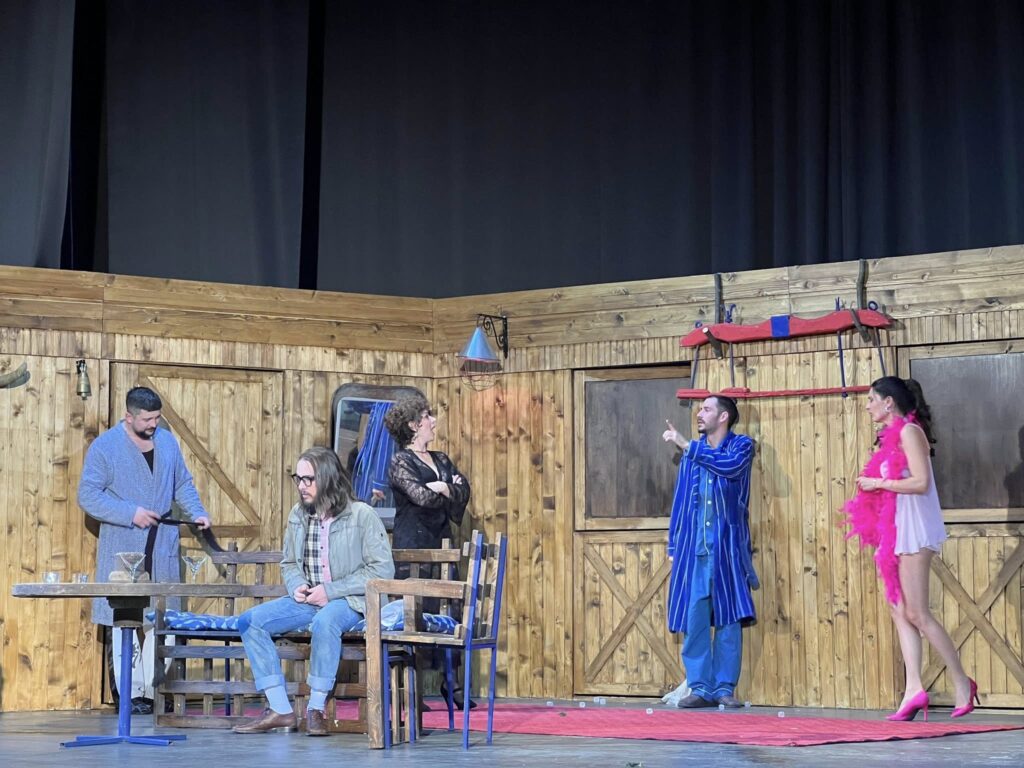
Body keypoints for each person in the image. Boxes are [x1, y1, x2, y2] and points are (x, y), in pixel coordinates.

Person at [232, 446, 393, 735]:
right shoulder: (298, 515)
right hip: (309, 599)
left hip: (351, 600)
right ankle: (280, 709)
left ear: (328, 478)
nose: (302, 486)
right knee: (250, 622)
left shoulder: (361, 515)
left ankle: (316, 708)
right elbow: (290, 563)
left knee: (325, 620)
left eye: (309, 479)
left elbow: (382, 570)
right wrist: (297, 585)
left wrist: (330, 591)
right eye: (298, 478)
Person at [845, 376, 977, 720]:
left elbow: (920, 482)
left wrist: (879, 482)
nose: (868, 405)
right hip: (897, 529)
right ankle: (914, 689)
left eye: (872, 399)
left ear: (889, 402)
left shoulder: (910, 432)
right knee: (898, 609)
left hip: (916, 528)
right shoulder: (890, 437)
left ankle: (962, 683)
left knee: (917, 613)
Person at [78, 386, 211, 714]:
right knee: (124, 618)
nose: (153, 424)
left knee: (160, 617)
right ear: (129, 416)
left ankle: (156, 692)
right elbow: (88, 495)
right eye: (147, 419)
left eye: (157, 418)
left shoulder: (167, 442)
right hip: (124, 544)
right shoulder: (106, 447)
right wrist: (130, 513)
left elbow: (182, 483)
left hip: (161, 543)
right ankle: (130, 693)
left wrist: (197, 512)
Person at [662, 395, 757, 709]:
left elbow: (729, 468)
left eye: (706, 409)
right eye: (700, 409)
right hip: (695, 550)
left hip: (727, 549)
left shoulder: (741, 446)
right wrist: (674, 545)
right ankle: (700, 686)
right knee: (695, 618)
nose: (699, 414)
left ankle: (724, 688)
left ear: (723, 416)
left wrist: (686, 445)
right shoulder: (691, 456)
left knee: (729, 619)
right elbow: (680, 502)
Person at [384, 394, 472, 706]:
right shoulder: (400, 462)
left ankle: (452, 683)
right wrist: (445, 491)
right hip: (413, 546)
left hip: (442, 542)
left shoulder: (442, 459)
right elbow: (420, 498)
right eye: (427, 416)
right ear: (413, 424)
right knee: (415, 613)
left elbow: (464, 490)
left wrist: (445, 487)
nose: (433, 421)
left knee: (450, 609)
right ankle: (412, 690)